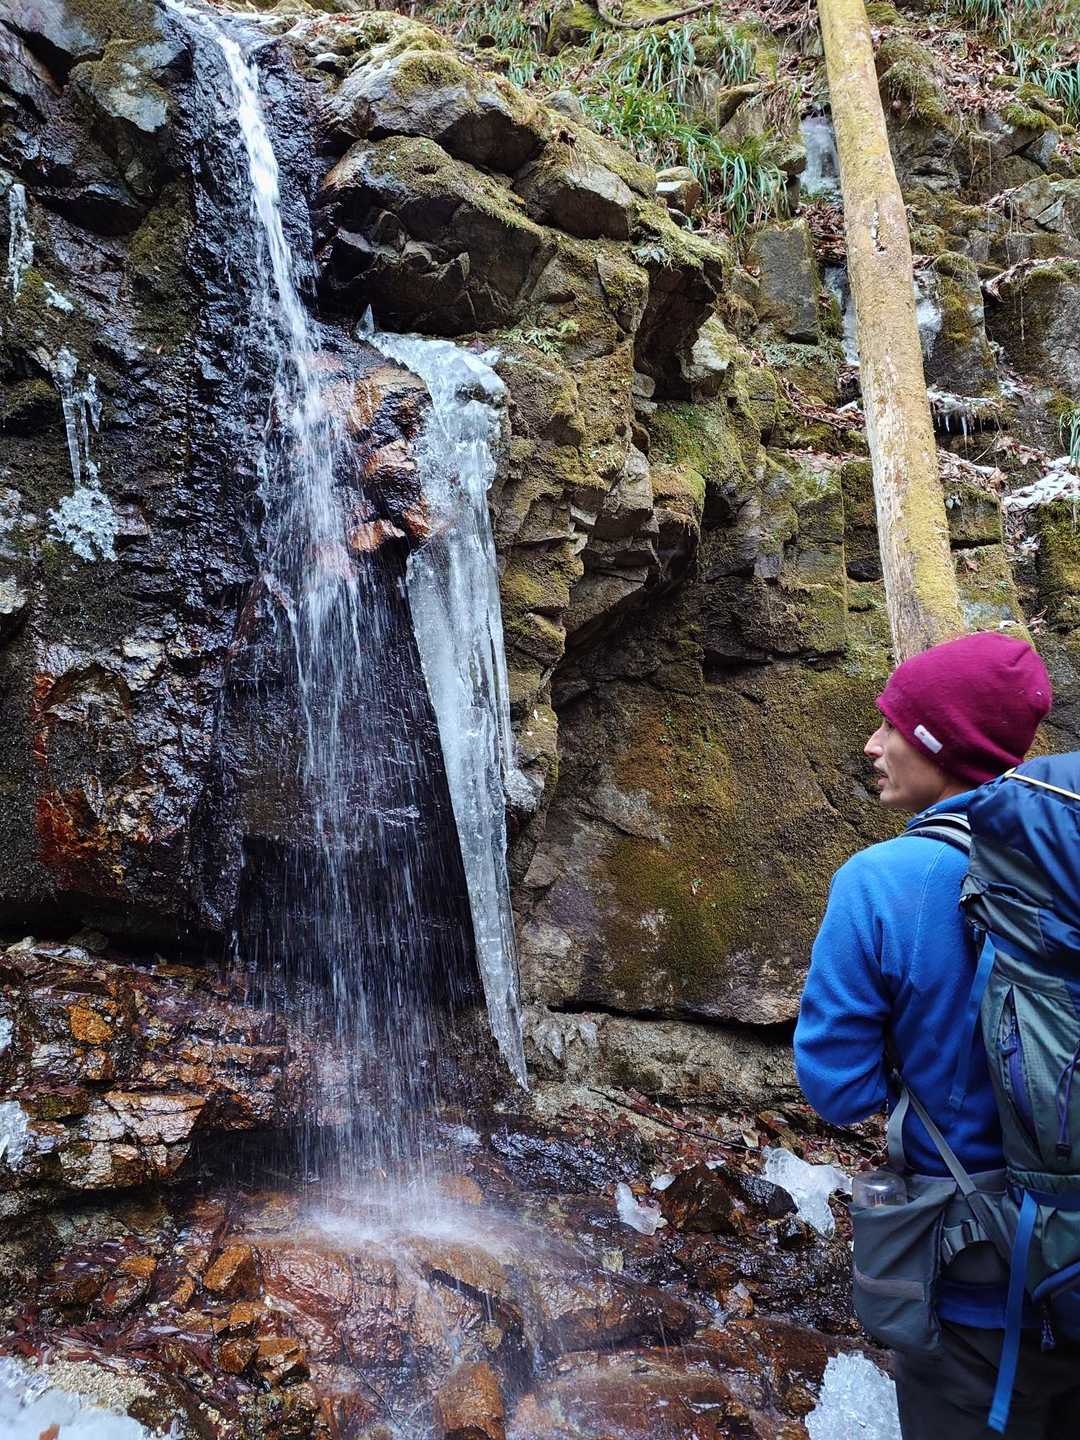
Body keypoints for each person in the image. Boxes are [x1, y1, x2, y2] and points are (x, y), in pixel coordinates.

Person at [794, 631, 1080, 1438]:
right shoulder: (1070, 868)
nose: (872, 743)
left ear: (940, 744)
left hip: (972, 1287)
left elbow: (836, 1090)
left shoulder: (880, 882)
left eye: (892, 724)